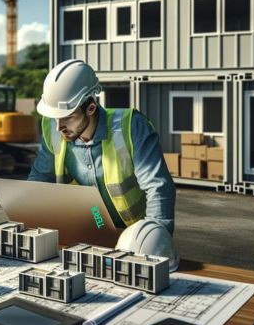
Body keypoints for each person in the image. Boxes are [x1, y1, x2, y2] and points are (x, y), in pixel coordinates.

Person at [28, 59, 175, 234]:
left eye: (68, 117)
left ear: (90, 108)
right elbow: (40, 179)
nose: (59, 127)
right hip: (87, 229)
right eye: (55, 117)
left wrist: (156, 236)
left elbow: (157, 187)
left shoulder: (131, 126)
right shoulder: (53, 129)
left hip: (132, 234)